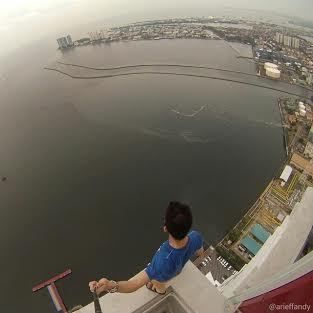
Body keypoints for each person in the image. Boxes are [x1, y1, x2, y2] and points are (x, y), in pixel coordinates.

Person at [89, 201, 204, 295]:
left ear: (165, 228)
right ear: (189, 225)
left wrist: (110, 285)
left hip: (164, 274)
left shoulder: (162, 261)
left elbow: (133, 285)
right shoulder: (196, 236)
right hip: (177, 268)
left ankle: (159, 291)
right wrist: (201, 257)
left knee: (157, 283)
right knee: (163, 275)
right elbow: (200, 251)